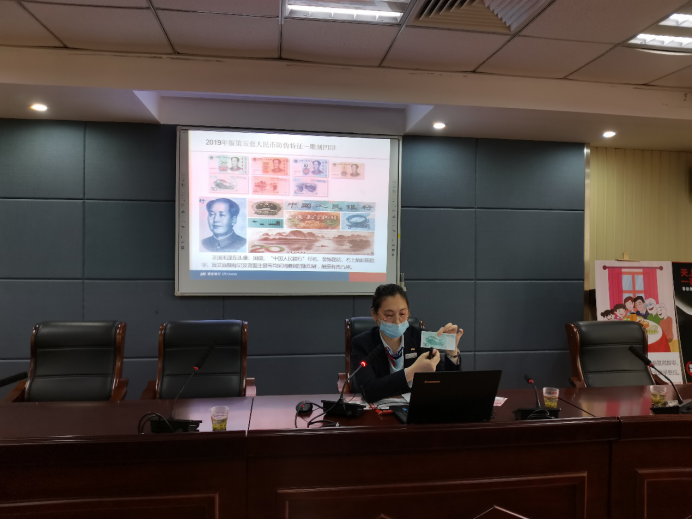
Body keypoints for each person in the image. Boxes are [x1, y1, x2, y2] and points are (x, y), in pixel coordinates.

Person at [351, 284, 464, 403]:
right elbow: (369, 391)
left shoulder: (421, 338)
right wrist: (413, 371)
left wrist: (452, 352)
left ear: (408, 312)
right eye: (389, 315)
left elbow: (449, 385)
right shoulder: (362, 343)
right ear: (375, 314)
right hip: (379, 410)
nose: (397, 321)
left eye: (402, 314)